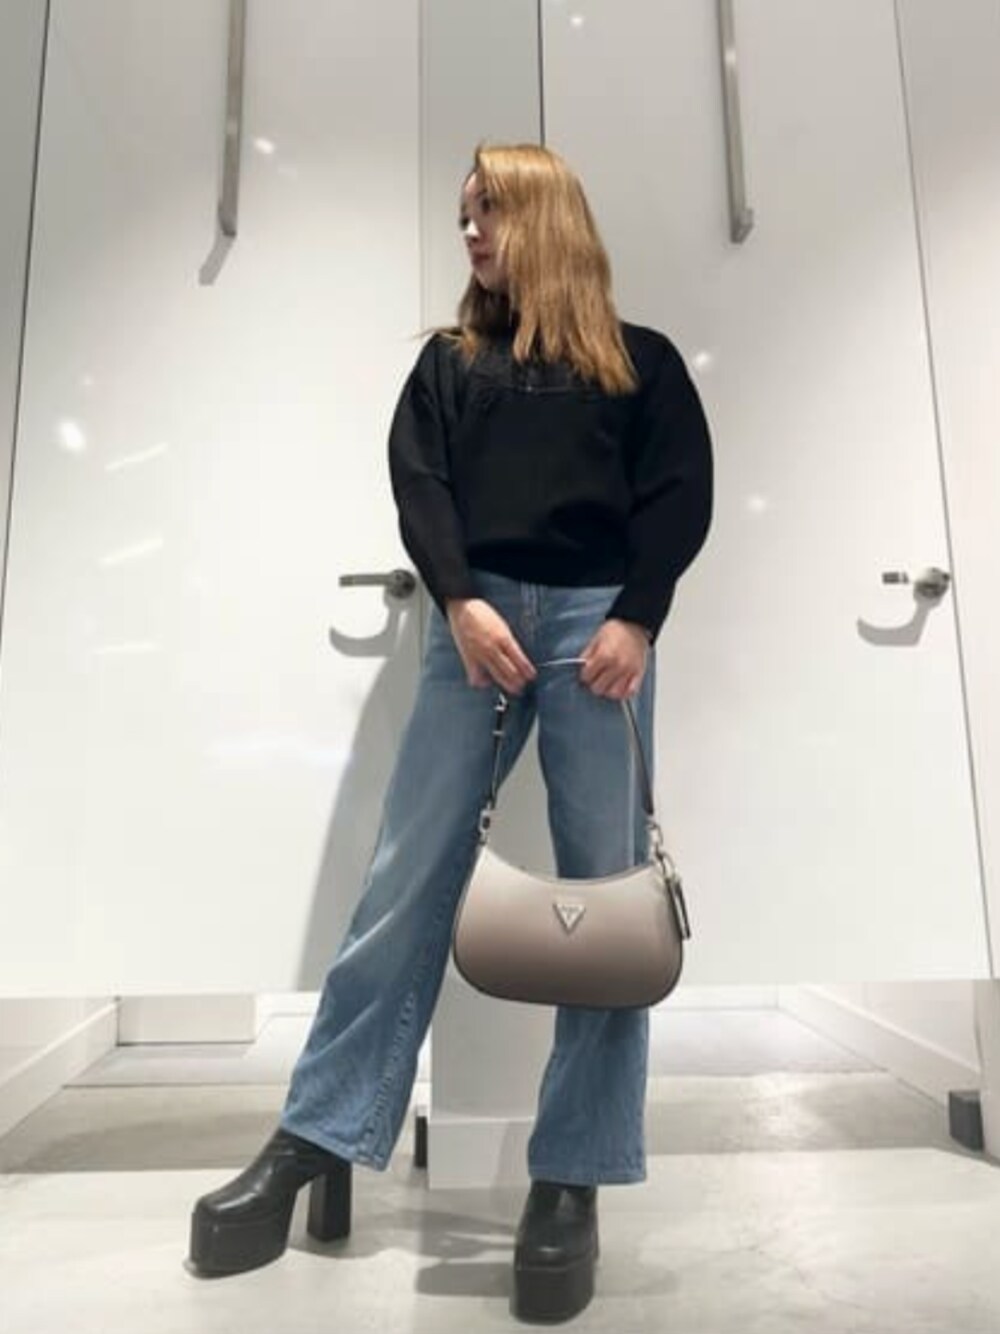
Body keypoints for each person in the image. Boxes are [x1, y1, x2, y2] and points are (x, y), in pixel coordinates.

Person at [188, 142, 713, 1323]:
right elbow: (418, 485)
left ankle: (571, 1174)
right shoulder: (449, 364)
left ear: (546, 219)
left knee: (601, 896)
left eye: (489, 211)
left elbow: (679, 492)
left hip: (598, 630)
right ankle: (315, 1135)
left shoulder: (641, 362)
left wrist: (636, 615)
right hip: (474, 624)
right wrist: (462, 601)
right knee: (406, 878)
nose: (470, 231)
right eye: (463, 214)